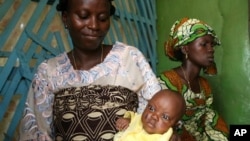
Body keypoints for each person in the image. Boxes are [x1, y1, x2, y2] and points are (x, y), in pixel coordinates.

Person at [18, 0, 161, 140]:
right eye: (83, 16)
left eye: (103, 18)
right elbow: (37, 132)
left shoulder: (128, 58)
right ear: (66, 18)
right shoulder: (48, 72)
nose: (94, 25)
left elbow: (161, 111)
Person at [159, 17, 229, 141]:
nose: (211, 49)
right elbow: (159, 125)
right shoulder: (167, 82)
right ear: (185, 49)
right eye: (204, 44)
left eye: (212, 45)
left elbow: (210, 120)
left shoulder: (204, 85)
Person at [114, 89, 186, 141]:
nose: (154, 116)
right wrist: (127, 121)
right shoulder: (139, 118)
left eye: (165, 117)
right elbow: (134, 117)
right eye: (151, 108)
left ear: (174, 125)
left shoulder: (166, 137)